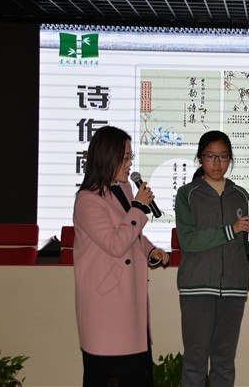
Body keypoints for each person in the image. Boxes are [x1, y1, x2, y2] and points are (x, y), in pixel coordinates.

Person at [72, 125, 170, 387]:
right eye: (125, 158)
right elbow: (115, 244)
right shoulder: (88, 201)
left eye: (130, 157)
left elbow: (131, 233)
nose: (130, 164)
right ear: (107, 158)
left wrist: (150, 250)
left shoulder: (124, 188)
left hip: (130, 303)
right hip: (106, 308)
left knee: (138, 377)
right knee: (107, 377)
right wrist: (138, 206)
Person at [174, 130, 249, 387]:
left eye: (223, 156)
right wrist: (231, 229)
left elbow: (244, 245)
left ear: (230, 159)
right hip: (197, 287)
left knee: (224, 360)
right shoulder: (187, 194)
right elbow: (188, 241)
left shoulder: (240, 194)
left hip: (233, 288)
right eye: (210, 156)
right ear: (200, 158)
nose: (217, 163)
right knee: (195, 361)